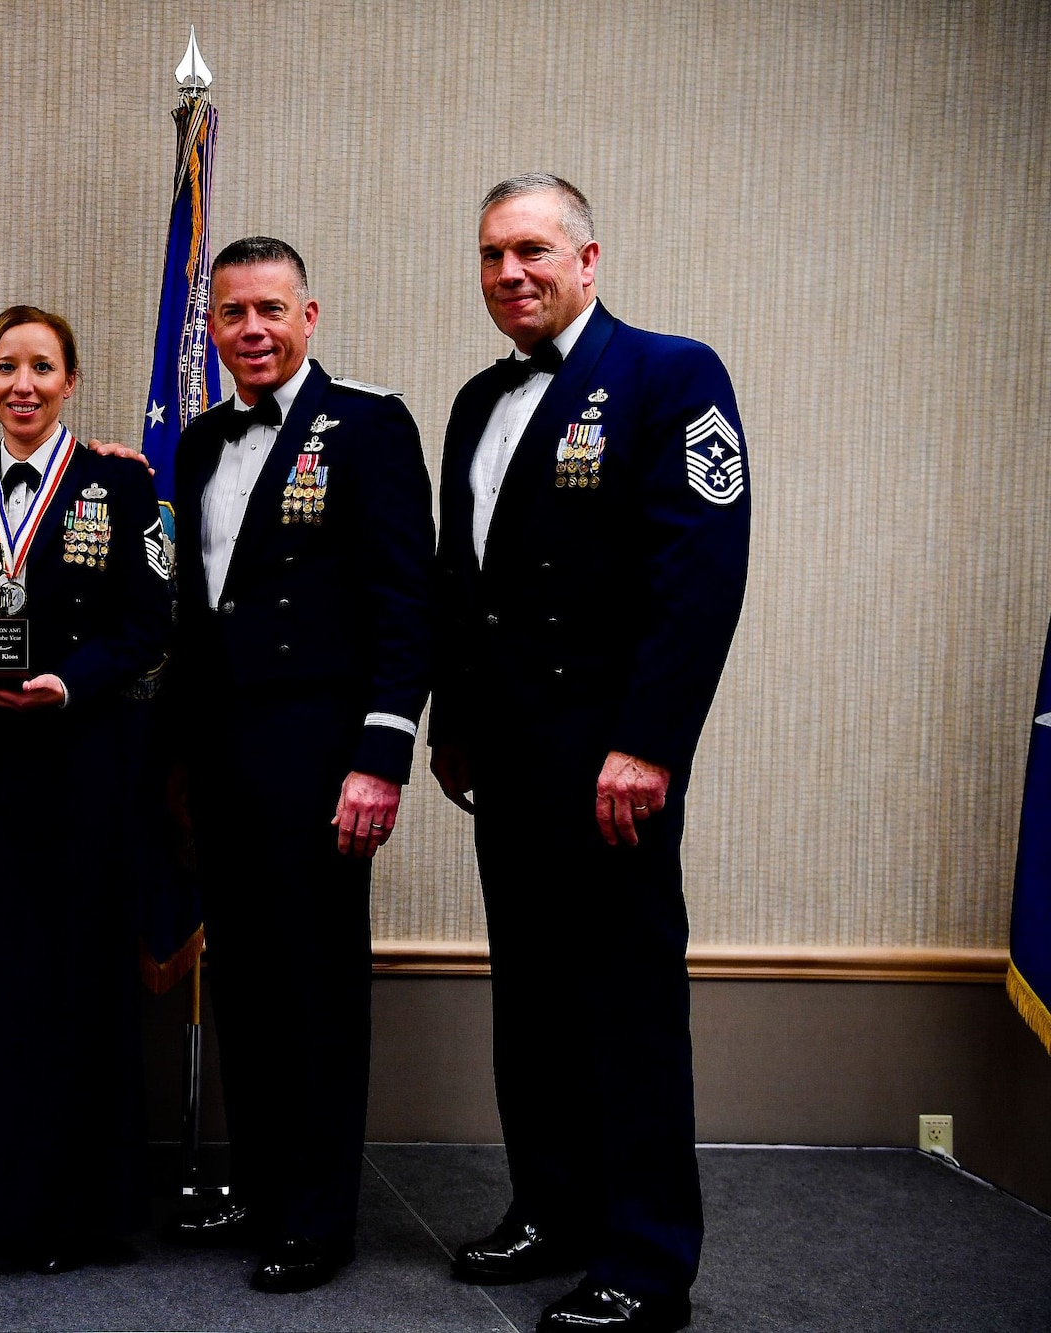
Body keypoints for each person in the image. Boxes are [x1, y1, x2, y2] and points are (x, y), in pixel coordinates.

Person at [429, 174, 749, 1333]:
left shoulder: (669, 374)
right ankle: (549, 1209)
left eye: (529, 250)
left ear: (587, 256)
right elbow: (463, 584)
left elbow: (696, 579)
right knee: (533, 997)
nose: (507, 273)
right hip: (507, 756)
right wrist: (450, 719)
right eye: (487, 255)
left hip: (607, 755)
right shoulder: (474, 400)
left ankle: (646, 1257)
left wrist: (648, 745)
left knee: (622, 1005)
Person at [166, 237, 435, 1293]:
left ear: (309, 316)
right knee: (242, 980)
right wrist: (181, 757)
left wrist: (381, 755)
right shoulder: (195, 443)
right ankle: (266, 1189)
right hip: (226, 756)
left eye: (270, 309)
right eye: (231, 314)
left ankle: (317, 1218)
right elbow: (197, 615)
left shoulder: (365, 424)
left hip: (322, 756)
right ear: (213, 329)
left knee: (314, 987)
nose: (252, 331)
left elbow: (405, 601)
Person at [0, 306, 171, 1273]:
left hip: (83, 766)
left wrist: (67, 682)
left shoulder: (122, 484)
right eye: (5, 367)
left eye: (42, 366)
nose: (23, 384)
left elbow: (150, 622)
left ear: (70, 378)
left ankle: (86, 1211)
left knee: (80, 983)